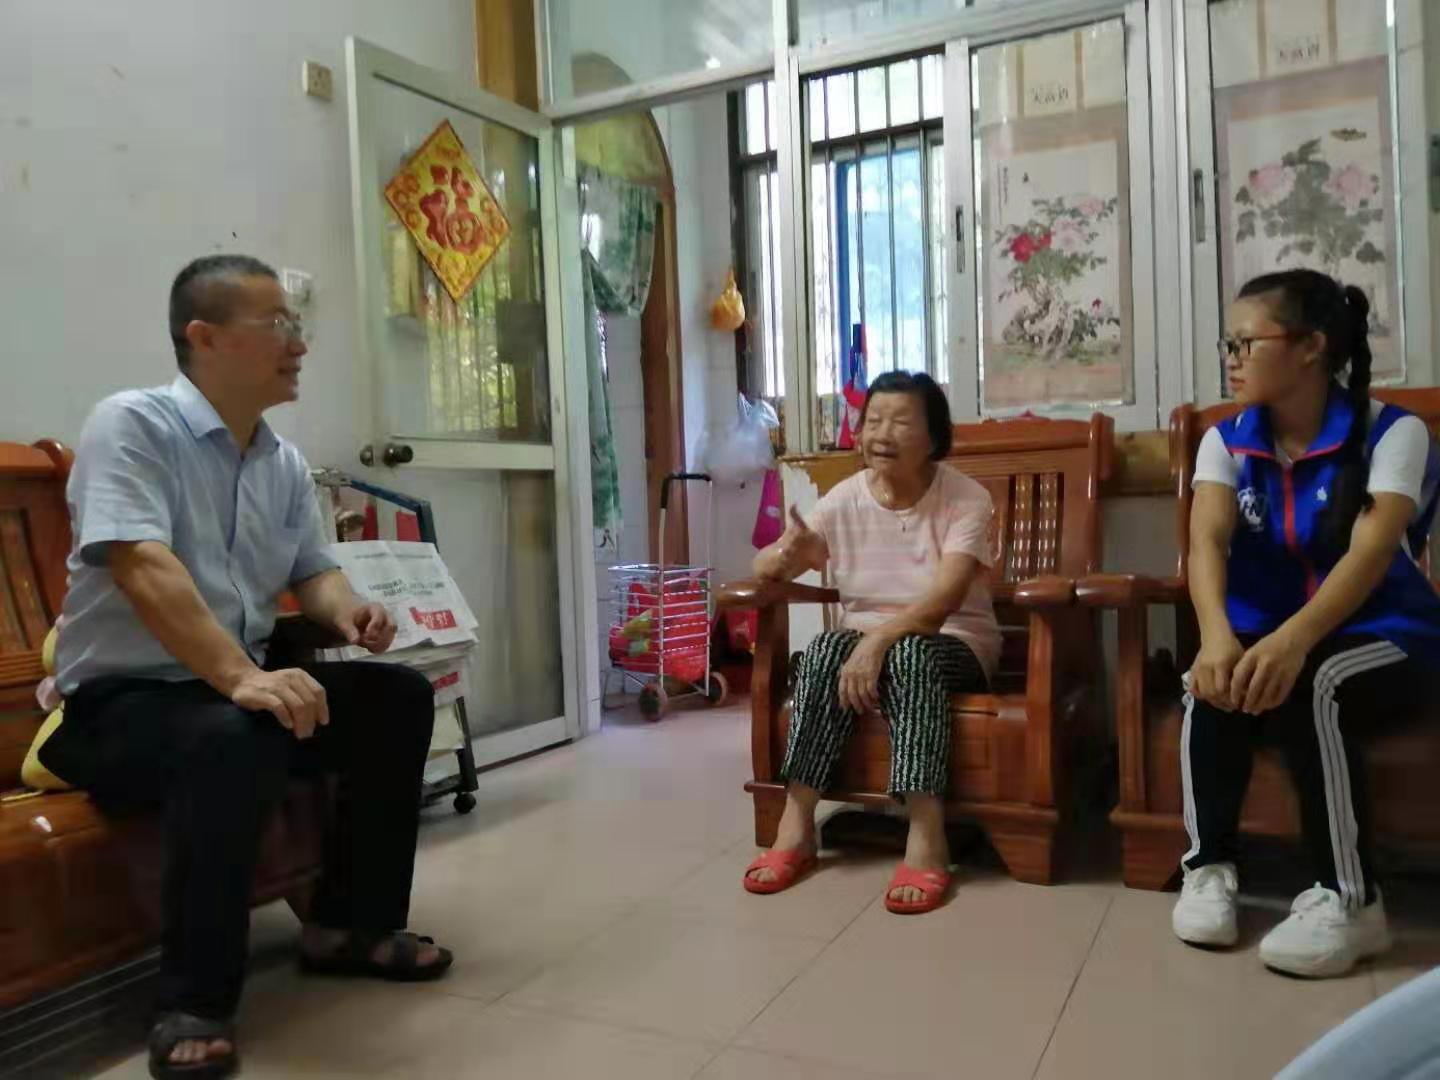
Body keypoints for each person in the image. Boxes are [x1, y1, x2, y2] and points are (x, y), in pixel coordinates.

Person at [39, 255, 454, 1079]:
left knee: (396, 699)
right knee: (232, 735)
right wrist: (241, 678)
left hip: (230, 693)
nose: (299, 343)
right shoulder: (132, 425)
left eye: (297, 326)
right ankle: (193, 1001)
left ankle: (349, 927)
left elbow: (312, 570)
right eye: (279, 325)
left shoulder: (282, 462)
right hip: (119, 706)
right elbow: (141, 563)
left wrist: (347, 609)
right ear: (205, 337)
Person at [1172, 268, 1440, 978]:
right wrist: (1217, 638)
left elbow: (1371, 553)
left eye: (1245, 343)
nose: (1231, 359)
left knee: (1313, 679)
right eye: (1227, 345)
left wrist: (1292, 642)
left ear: (1311, 347)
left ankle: (1351, 899)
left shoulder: (1393, 432)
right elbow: (1207, 541)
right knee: (1209, 681)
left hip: (1387, 636)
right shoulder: (1227, 440)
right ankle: (1209, 868)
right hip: (1272, 634)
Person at [741, 371, 1000, 915]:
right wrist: (789, 551)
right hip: (866, 643)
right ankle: (797, 826)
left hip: (954, 641)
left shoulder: (965, 498)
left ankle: (926, 835)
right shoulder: (845, 497)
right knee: (822, 652)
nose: (881, 433)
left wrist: (878, 638)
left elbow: (943, 601)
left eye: (901, 422)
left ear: (933, 437)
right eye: (873, 420)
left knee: (909, 652)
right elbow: (765, 568)